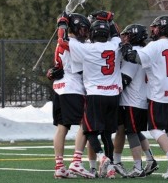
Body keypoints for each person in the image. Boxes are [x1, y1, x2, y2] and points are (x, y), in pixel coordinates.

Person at [120, 15, 168, 179]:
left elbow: (134, 58)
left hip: (159, 95)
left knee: (155, 129)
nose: (152, 30)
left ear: (162, 28)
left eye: (155, 27)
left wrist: (126, 47)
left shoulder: (155, 46)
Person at [68, 13, 122, 179]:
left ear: (92, 34)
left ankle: (101, 156)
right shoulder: (115, 44)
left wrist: (63, 24)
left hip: (96, 94)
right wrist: (110, 20)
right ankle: (111, 168)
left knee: (89, 130)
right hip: (113, 94)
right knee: (107, 133)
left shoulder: (87, 48)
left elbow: (64, 41)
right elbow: (117, 34)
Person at [47, 12, 95, 179]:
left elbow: (57, 66)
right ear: (75, 28)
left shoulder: (65, 43)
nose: (85, 33)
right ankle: (76, 161)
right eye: (83, 29)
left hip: (59, 87)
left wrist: (62, 25)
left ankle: (59, 166)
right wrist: (62, 26)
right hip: (73, 88)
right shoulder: (75, 44)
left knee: (62, 127)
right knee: (86, 124)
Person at [117, 24, 159, 178]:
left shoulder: (133, 55)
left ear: (133, 36)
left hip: (132, 100)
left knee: (132, 132)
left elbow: (124, 79)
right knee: (136, 131)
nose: (124, 38)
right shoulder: (144, 52)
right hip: (142, 98)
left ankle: (137, 166)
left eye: (127, 35)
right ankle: (150, 159)